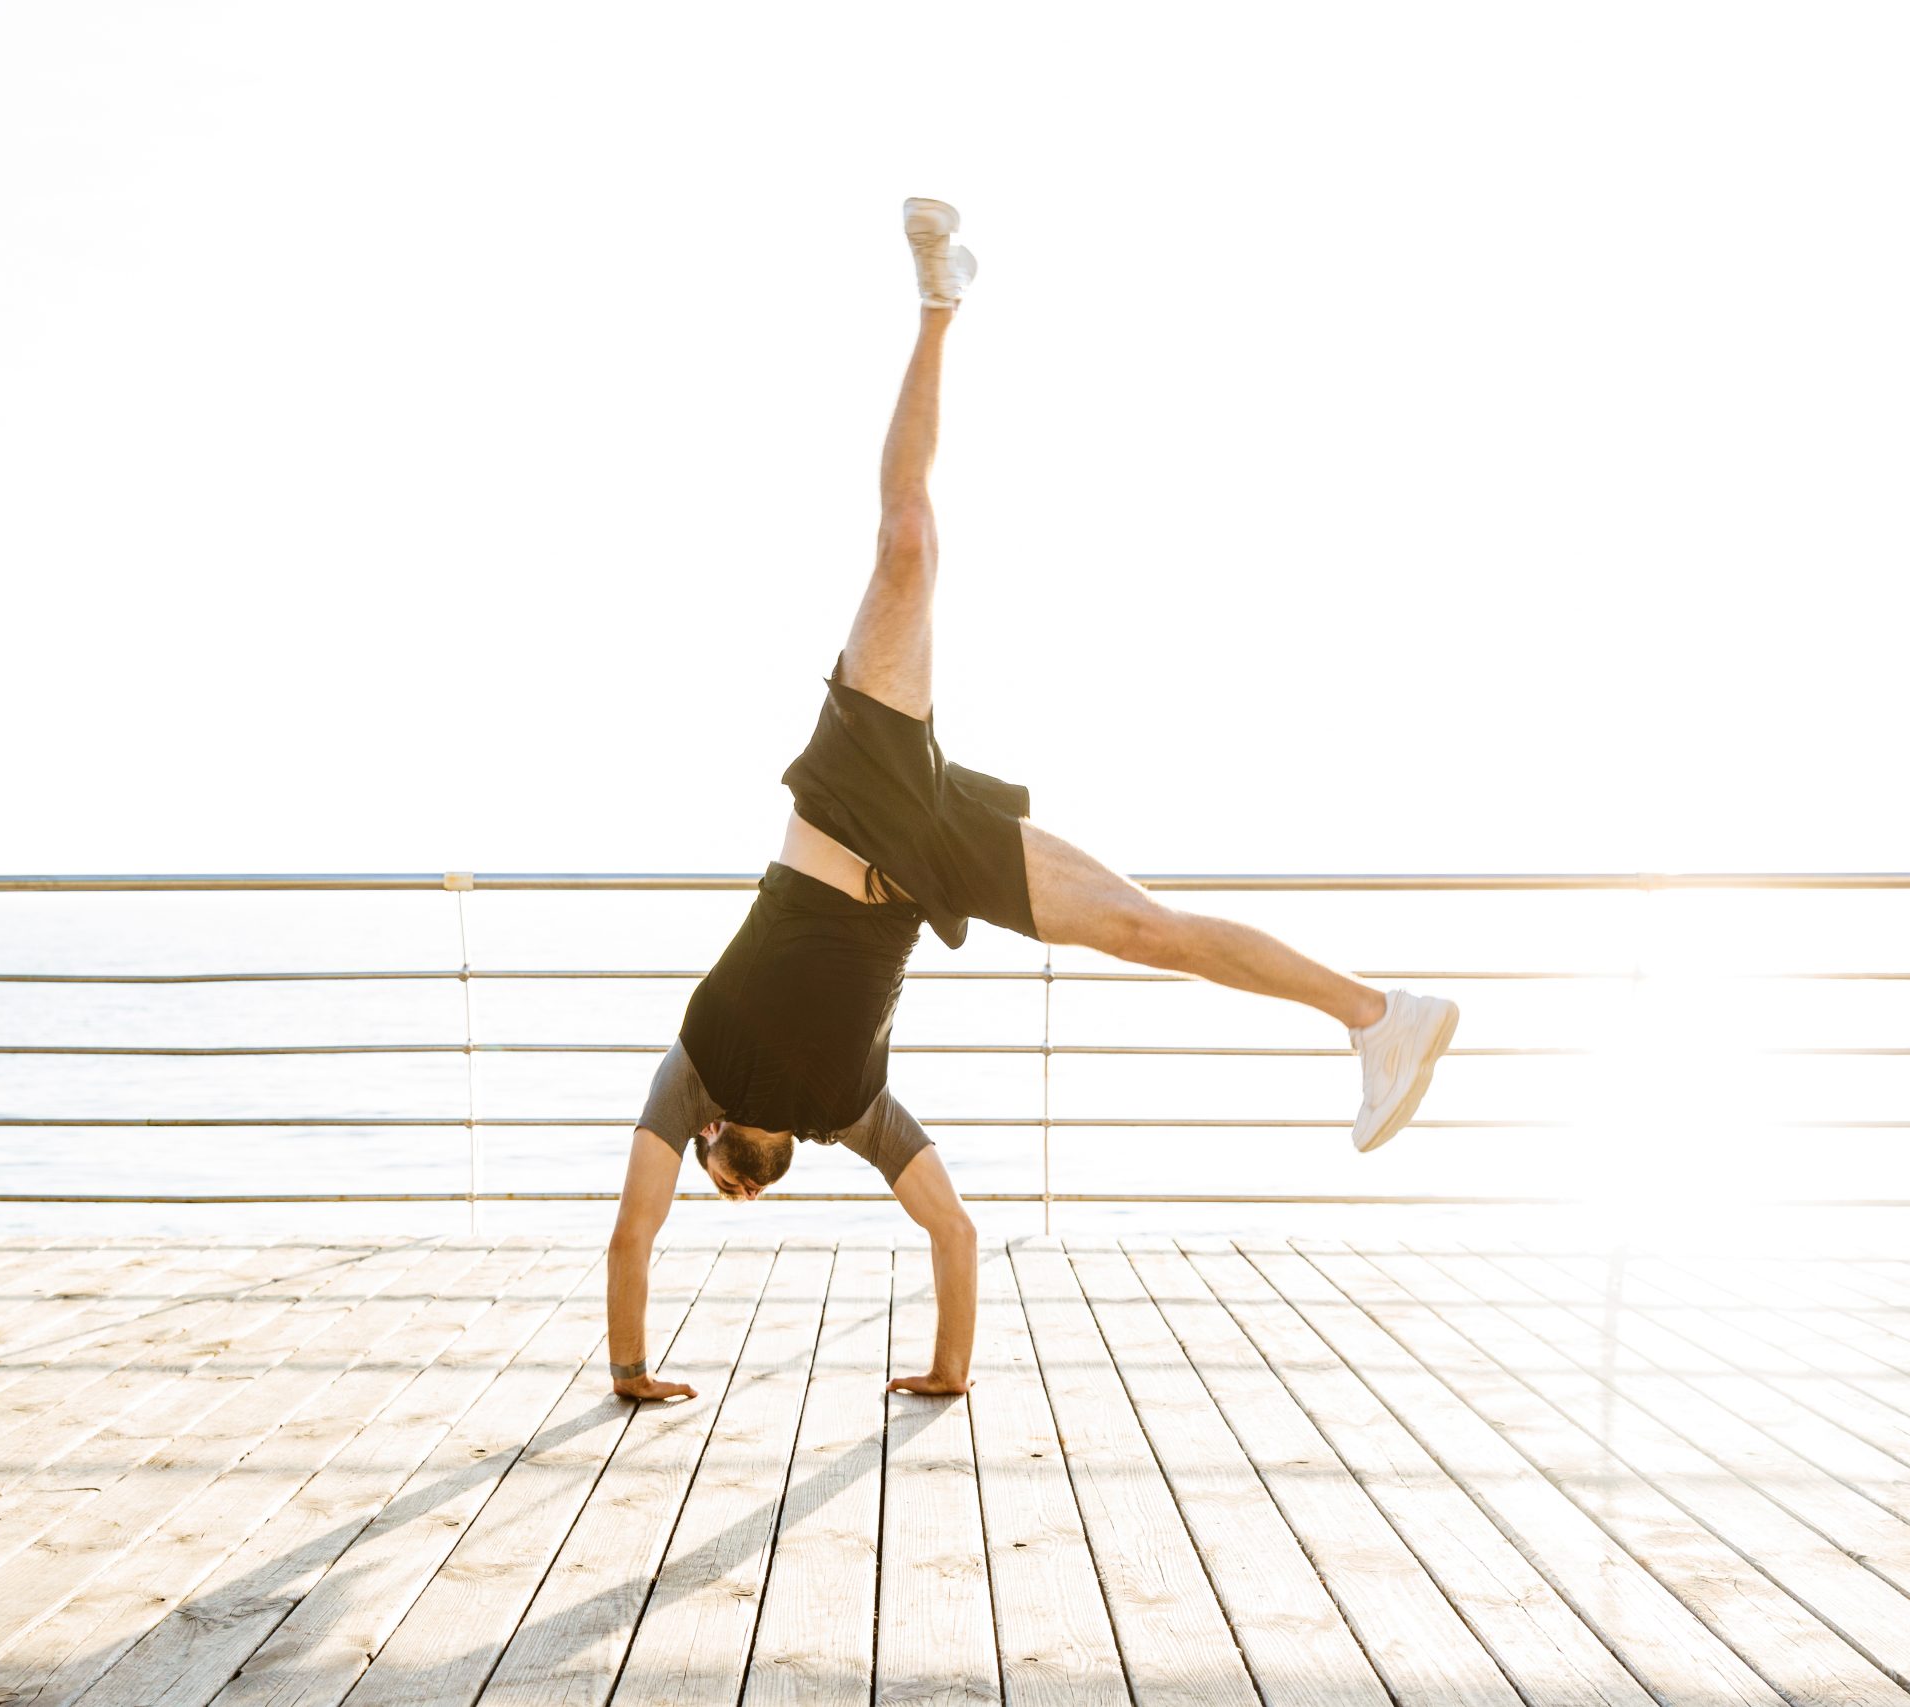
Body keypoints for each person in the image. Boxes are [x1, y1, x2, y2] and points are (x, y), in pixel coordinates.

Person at [603, 199, 1459, 1403]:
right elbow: (951, 1234)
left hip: (855, 796)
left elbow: (630, 1235)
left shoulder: (693, 1076)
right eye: (745, 1188)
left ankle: (936, 301)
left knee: (906, 541)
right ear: (774, 1159)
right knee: (1149, 932)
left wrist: (630, 1366)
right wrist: (946, 1375)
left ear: (710, 1153)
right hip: (932, 858)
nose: (730, 1187)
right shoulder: (850, 1116)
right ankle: (1380, 1015)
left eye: (720, 1186)